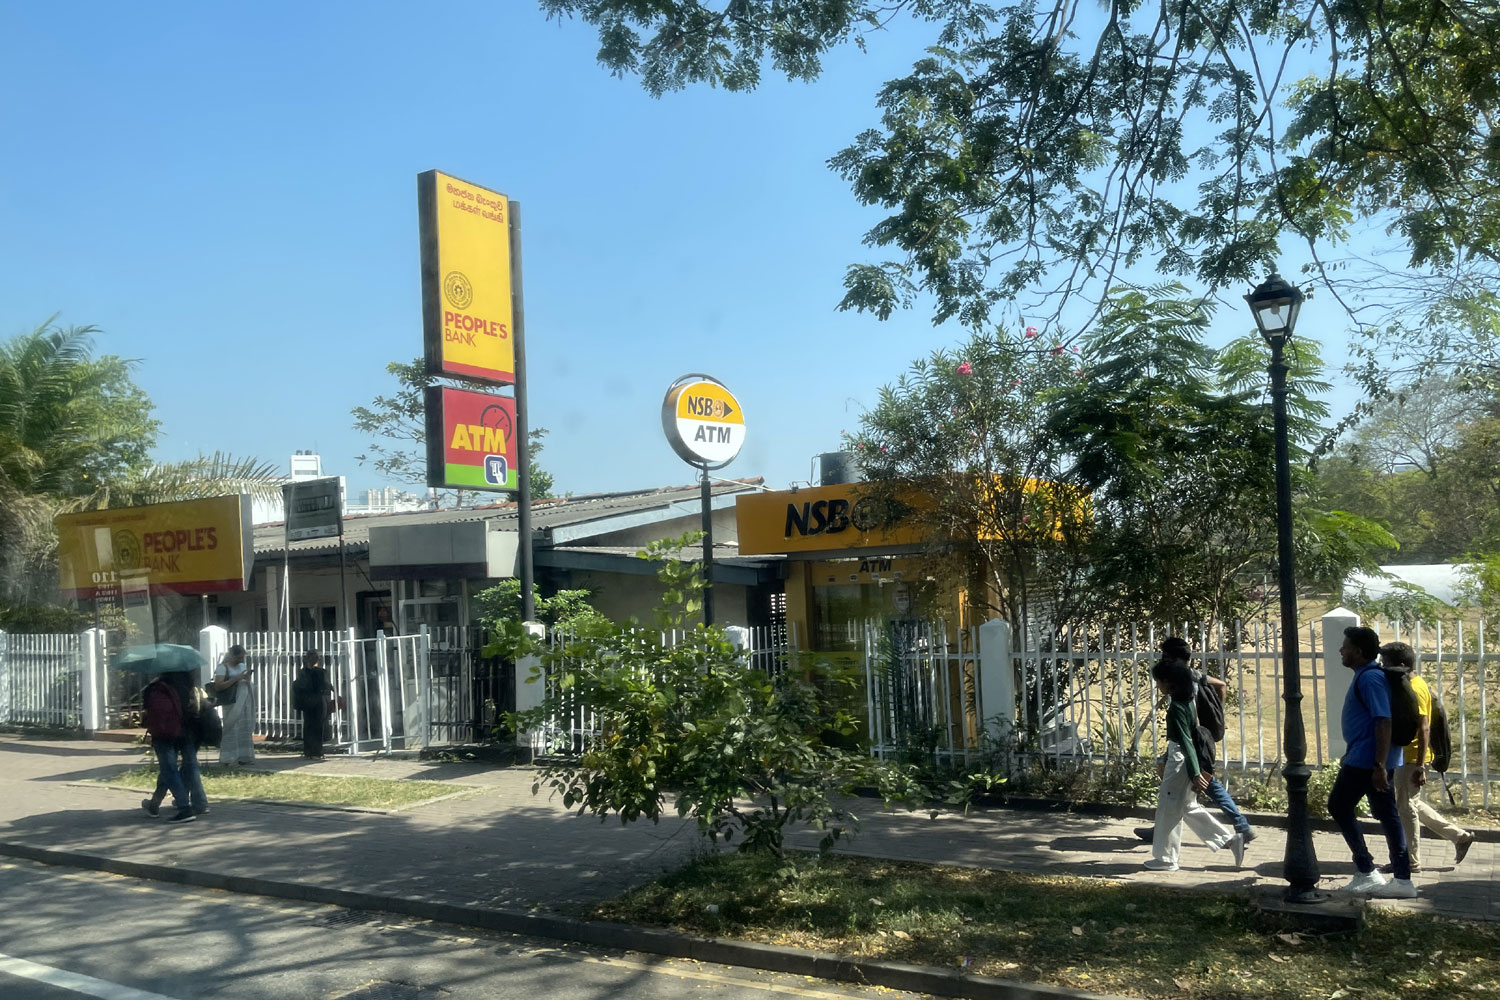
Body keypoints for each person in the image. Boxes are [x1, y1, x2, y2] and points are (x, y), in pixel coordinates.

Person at [1135, 638, 1256, 850]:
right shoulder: (1194, 674)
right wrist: (1219, 716)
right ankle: (1160, 830)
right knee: (1180, 788)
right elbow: (1221, 685)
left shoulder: (1184, 677)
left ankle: (1240, 827)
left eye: (1164, 655)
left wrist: (1207, 723)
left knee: (1200, 785)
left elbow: (1189, 719)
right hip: (1194, 738)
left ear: (1170, 657)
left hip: (1190, 740)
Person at [1328, 626, 1415, 898]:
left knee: (1340, 806)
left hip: (1369, 762)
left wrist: (1379, 765)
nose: (1341, 650)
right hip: (1365, 757)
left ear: (1358, 651)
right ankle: (1397, 878)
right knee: (1386, 814)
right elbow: (1368, 722)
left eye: (1345, 646)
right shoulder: (1367, 676)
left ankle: (1371, 871)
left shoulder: (1370, 679)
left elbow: (1383, 720)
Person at [1377, 641, 1476, 872]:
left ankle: (1411, 861)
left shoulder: (1415, 688)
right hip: (1407, 756)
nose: (1383, 667)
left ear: (1401, 665)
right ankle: (1460, 837)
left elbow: (1424, 728)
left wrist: (1420, 766)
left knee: (1406, 809)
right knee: (1409, 803)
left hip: (1412, 757)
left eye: (1386, 662)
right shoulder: (1409, 684)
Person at [1143, 656, 1243, 872]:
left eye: (1159, 681)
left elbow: (1185, 741)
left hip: (1179, 760)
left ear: (1169, 683)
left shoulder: (1177, 707)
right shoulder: (1188, 701)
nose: (1157, 685)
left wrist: (1196, 772)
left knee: (1168, 808)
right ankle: (1229, 840)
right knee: (1187, 806)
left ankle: (1166, 859)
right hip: (1185, 758)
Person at [140, 670, 209, 822]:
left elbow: (149, 713)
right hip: (187, 732)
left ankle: (184, 808)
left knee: (169, 769)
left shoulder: (157, 688)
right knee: (187, 767)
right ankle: (155, 805)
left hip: (165, 734)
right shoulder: (189, 684)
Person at [211, 644, 255, 765]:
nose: (241, 660)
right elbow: (218, 686)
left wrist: (246, 679)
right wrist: (236, 678)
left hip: (243, 701)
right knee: (231, 728)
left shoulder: (242, 666)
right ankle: (228, 758)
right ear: (232, 656)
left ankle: (243, 756)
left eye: (242, 657)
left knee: (243, 728)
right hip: (231, 702)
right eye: (239, 657)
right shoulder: (223, 668)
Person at [294, 649, 333, 760]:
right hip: (319, 702)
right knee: (318, 727)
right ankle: (317, 752)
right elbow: (326, 687)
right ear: (317, 659)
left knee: (308, 726)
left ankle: (308, 751)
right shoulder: (321, 672)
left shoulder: (302, 672)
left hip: (307, 702)